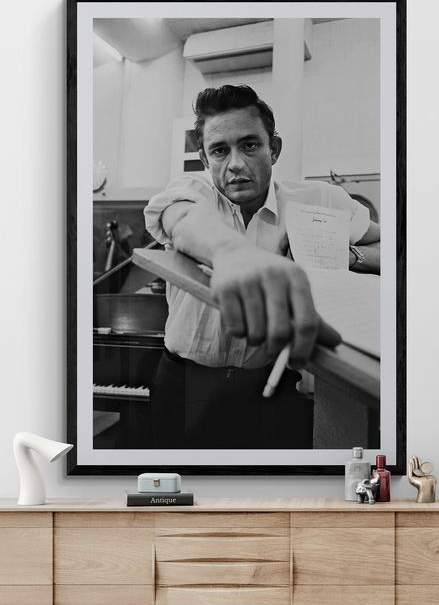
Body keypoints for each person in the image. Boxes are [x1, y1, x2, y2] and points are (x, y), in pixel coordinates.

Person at [143, 84, 380, 448]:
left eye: (250, 145)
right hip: (185, 380)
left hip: (271, 382)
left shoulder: (319, 201)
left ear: (274, 149)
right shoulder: (191, 190)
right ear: (205, 161)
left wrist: (349, 255)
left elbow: (396, 246)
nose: (235, 164)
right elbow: (182, 218)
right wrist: (233, 255)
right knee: (180, 494)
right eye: (220, 151)